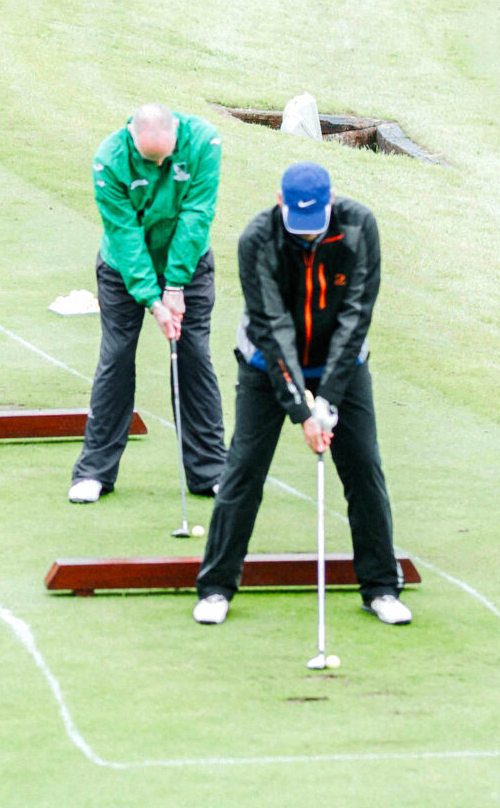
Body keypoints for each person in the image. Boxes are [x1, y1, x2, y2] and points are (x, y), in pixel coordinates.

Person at [194, 163, 408, 627]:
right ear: (279, 202)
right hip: (265, 365)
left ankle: (381, 588)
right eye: (299, 227)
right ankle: (215, 588)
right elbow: (273, 329)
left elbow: (356, 315)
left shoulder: (358, 226)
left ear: (332, 205)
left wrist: (327, 399)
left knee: (364, 468)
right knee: (244, 469)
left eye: (316, 226)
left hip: (342, 364)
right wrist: (302, 410)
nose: (308, 237)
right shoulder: (257, 239)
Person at [68, 104, 223, 505]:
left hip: (188, 264)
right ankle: (94, 472)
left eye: (165, 159)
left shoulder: (205, 142)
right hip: (124, 268)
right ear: (132, 139)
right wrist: (154, 302)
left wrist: (175, 285)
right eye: (148, 160)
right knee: (117, 356)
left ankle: (211, 471)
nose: (158, 167)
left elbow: (196, 214)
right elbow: (125, 235)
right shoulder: (109, 159)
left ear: (176, 134)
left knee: (194, 356)